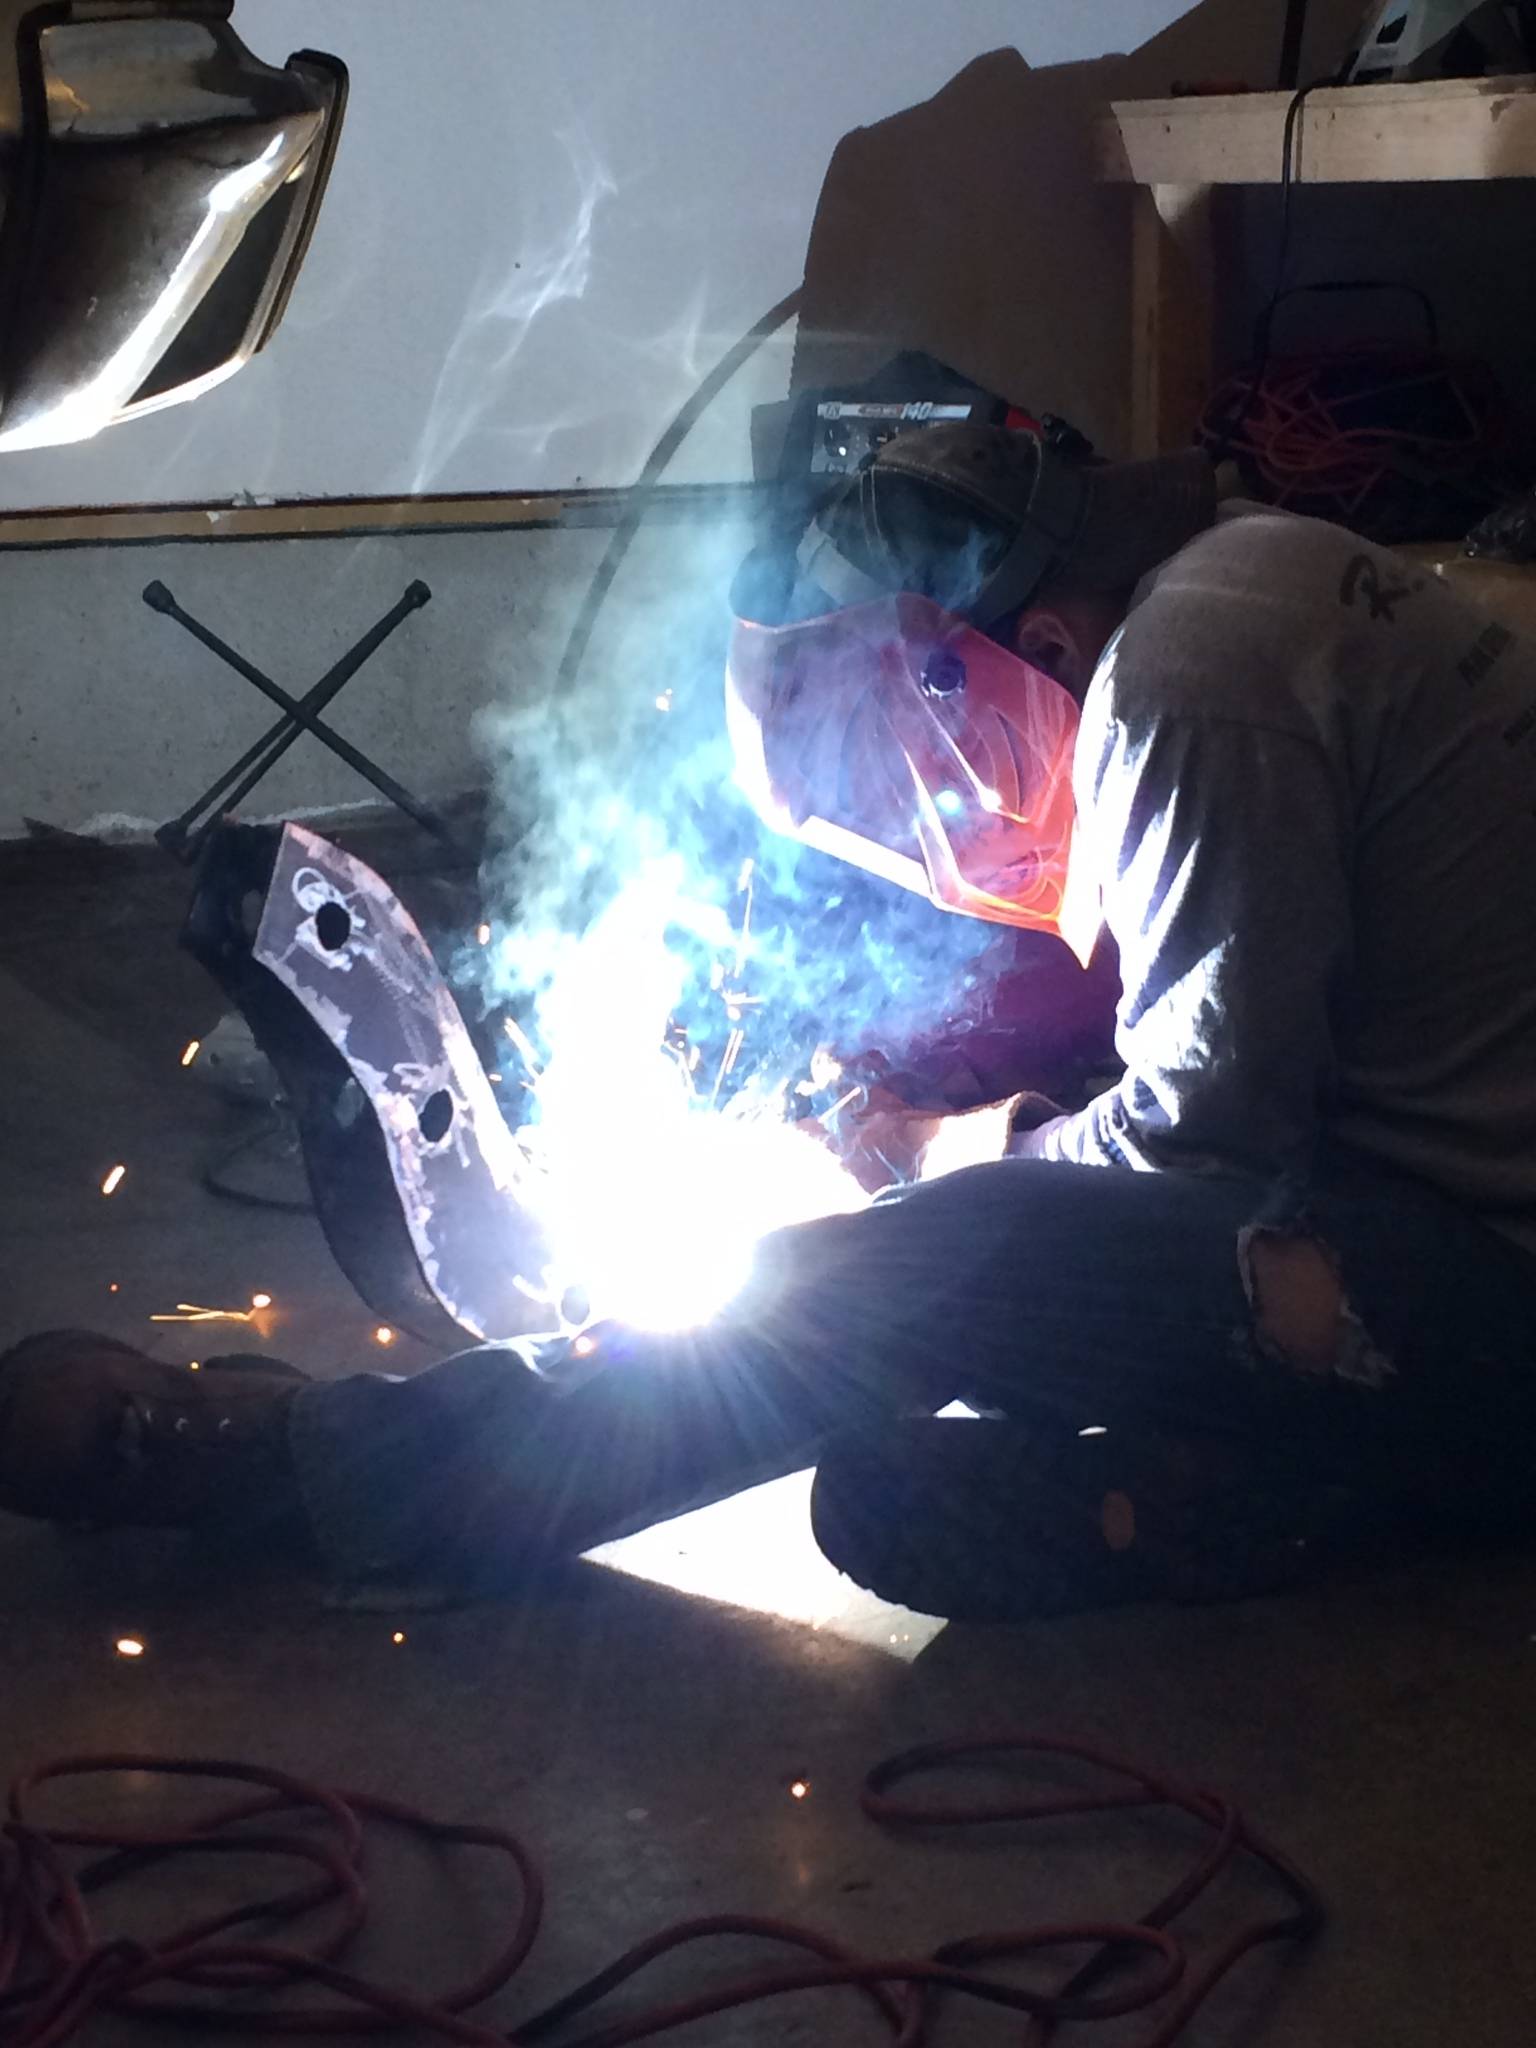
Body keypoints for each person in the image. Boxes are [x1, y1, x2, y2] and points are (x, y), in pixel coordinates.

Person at [7, 420, 1536, 1620]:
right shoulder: (1251, 582)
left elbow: (1203, 1145)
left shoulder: (1188, 683)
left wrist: (911, 1189)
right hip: (1422, 1275)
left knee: (956, 1263)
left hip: (1476, 1293)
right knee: (880, 1488)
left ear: (1039, 653)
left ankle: (324, 1478)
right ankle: (1293, 1493)